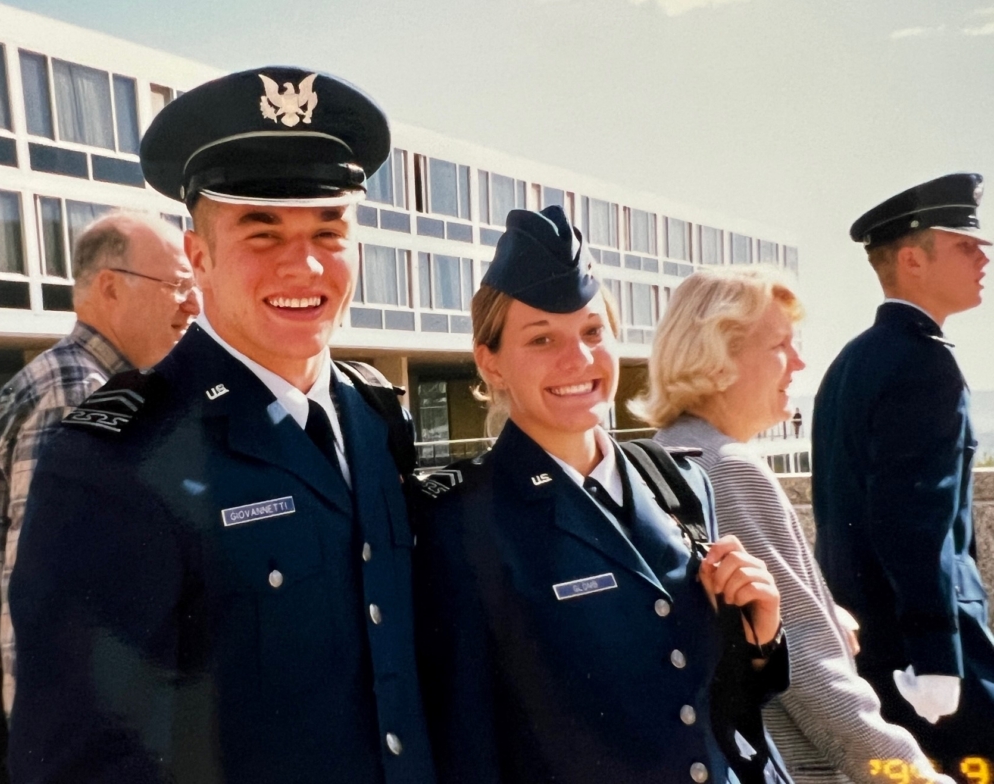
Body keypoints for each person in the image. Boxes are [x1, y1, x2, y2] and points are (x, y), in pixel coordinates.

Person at [7, 67, 435, 784]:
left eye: (329, 230)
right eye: (261, 232)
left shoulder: (374, 418)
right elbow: (82, 760)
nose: (304, 264)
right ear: (198, 257)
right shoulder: (114, 457)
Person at [412, 206, 788, 784]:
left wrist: (759, 641)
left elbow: (711, 708)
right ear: (491, 363)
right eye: (542, 339)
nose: (579, 360)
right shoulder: (460, 520)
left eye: (593, 332)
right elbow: (467, 746)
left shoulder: (678, 484)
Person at [640, 267, 951, 784]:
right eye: (780, 345)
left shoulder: (664, 455)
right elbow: (810, 672)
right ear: (719, 361)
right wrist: (913, 777)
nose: (800, 362)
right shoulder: (729, 468)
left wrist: (827, 614)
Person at [0, 211, 198, 784]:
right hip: (38, 728)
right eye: (180, 286)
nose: (193, 306)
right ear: (111, 286)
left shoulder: (59, 377)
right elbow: (40, 606)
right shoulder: (79, 396)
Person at [813, 173, 994, 776]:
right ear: (913, 259)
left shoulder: (852, 359)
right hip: (928, 664)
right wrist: (939, 657)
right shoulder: (925, 366)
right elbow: (914, 525)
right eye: (965, 244)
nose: (983, 255)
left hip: (871, 651)